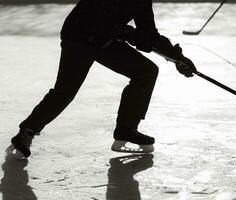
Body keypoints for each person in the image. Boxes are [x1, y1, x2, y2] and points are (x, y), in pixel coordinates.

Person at [10, 0, 197, 158]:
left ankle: (126, 129)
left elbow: (148, 34)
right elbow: (100, 18)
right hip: (78, 36)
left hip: (104, 41)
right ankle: (26, 132)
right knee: (65, 91)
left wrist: (177, 58)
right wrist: (127, 33)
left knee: (146, 71)